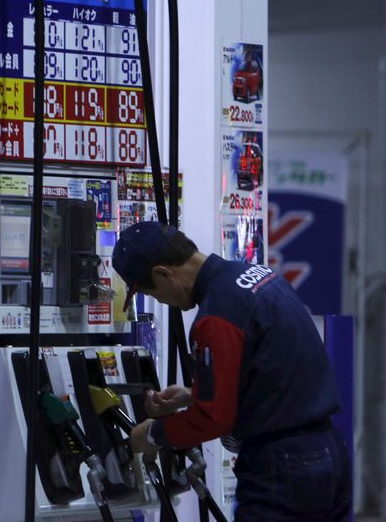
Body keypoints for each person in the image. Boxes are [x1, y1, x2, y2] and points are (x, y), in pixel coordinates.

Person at [112, 221, 351, 521]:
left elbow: (213, 419)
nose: (162, 301)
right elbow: (272, 371)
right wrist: (191, 396)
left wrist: (151, 433)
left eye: (154, 292)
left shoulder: (216, 316)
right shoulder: (259, 275)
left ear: (164, 274)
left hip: (282, 466)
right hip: (329, 451)